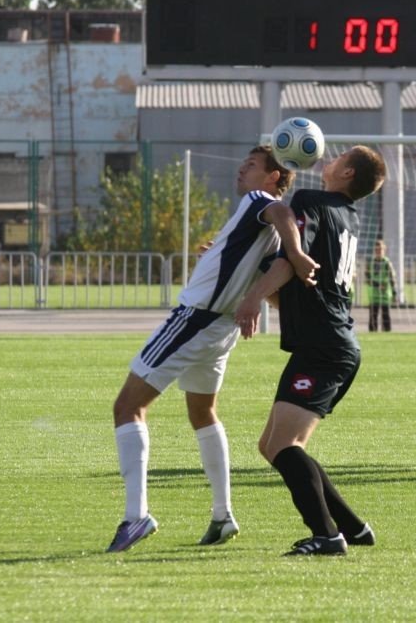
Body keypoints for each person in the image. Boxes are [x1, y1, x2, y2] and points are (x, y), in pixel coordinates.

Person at [105, 145, 318, 553]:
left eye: (252, 165)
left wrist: (298, 252)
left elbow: (283, 213)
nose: (241, 169)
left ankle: (137, 517)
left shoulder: (264, 202)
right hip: (222, 328)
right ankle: (222, 515)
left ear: (273, 177)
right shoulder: (264, 233)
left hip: (194, 321)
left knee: (127, 407)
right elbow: (272, 279)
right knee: (203, 412)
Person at [234, 145, 387, 556]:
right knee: (273, 446)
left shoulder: (309, 201)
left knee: (284, 446)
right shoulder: (349, 216)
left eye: (339, 158)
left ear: (348, 173)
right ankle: (353, 528)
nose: (330, 158)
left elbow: (289, 261)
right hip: (328, 345)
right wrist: (259, 290)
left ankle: (326, 536)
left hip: (325, 347)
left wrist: (251, 297)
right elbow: (301, 282)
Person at [365, 239, 396, 332]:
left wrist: (394, 292)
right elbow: (367, 277)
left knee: (386, 315)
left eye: (380, 249)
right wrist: (378, 285)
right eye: (377, 250)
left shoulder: (387, 263)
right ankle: (372, 333)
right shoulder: (371, 263)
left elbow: (392, 277)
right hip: (374, 294)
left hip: (384, 293)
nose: (378, 251)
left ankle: (387, 333)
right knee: (373, 316)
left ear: (384, 250)